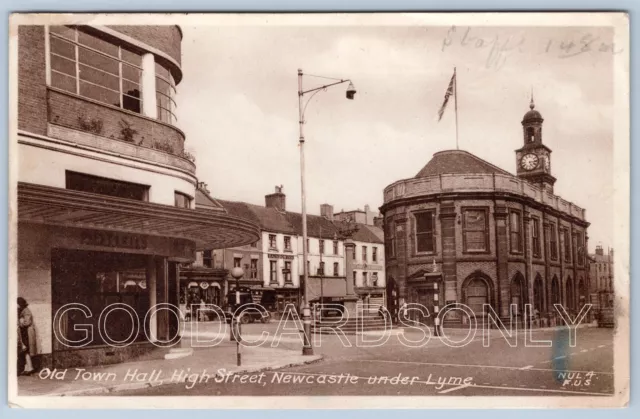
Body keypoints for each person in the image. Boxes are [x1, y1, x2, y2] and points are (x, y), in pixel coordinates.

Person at [18, 297, 37, 375]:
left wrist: (20, 322)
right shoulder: (24, 310)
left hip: (27, 332)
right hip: (25, 332)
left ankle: (30, 367)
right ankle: (28, 367)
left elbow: (27, 322)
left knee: (26, 349)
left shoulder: (26, 311)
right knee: (25, 350)